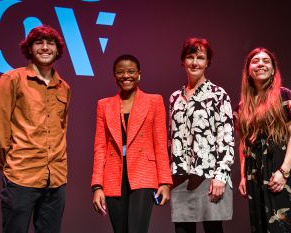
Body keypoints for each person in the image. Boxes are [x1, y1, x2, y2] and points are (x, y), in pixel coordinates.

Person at [0, 25, 70, 233]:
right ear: (29, 49)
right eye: (38, 43)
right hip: (21, 176)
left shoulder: (64, 87)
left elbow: (62, 128)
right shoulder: (12, 79)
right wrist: (11, 164)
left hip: (56, 178)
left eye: (50, 43)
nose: (44, 47)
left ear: (57, 50)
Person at [91, 54, 172, 233]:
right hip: (113, 176)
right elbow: (100, 147)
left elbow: (160, 144)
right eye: (120, 72)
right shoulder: (104, 105)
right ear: (114, 76)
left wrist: (165, 182)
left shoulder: (154, 101)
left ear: (139, 74)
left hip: (144, 174)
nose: (126, 76)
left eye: (131, 71)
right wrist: (97, 186)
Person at [234, 47, 291, 232]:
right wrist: (243, 176)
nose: (261, 64)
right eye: (256, 61)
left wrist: (283, 172)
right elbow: (243, 142)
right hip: (253, 171)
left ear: (273, 69)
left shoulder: (284, 95)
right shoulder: (243, 105)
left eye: (266, 61)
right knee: (260, 225)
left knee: (284, 224)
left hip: (278, 165)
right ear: (248, 70)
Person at [169, 38, 234, 233]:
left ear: (207, 62)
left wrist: (221, 175)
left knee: (213, 229)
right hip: (180, 177)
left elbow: (227, 137)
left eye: (200, 57)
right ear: (183, 61)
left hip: (209, 176)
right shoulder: (175, 98)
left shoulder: (218, 94)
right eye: (190, 57)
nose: (195, 62)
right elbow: (171, 139)